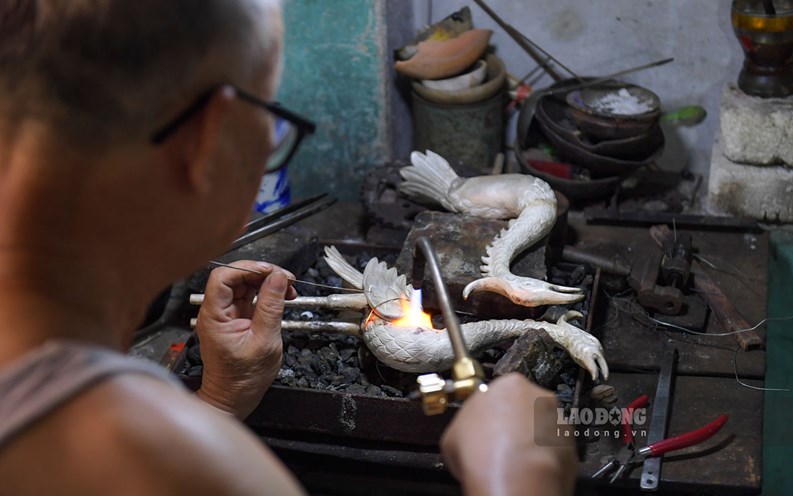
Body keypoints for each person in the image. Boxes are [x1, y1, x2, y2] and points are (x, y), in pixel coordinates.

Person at [0, 1, 577, 495]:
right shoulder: (176, 463)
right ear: (211, 141)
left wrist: (219, 403)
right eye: (270, 121)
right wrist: (516, 480)